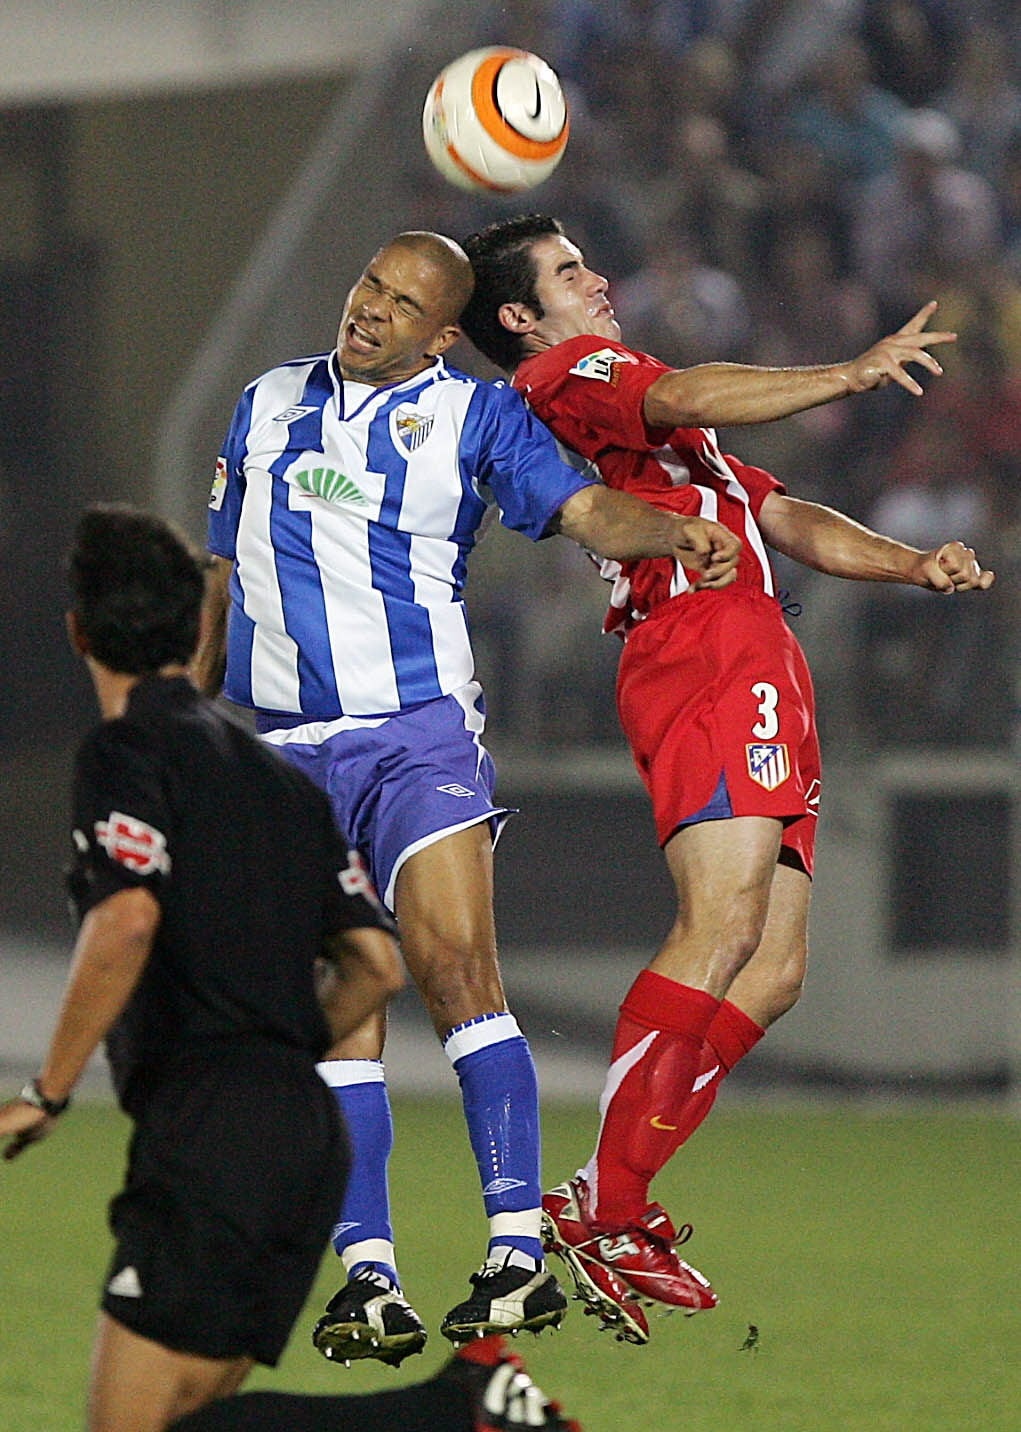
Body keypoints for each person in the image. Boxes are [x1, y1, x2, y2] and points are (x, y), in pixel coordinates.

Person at [194, 229, 741, 1360]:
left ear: (445, 332)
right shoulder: (265, 402)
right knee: (337, 1009)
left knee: (454, 968)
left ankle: (512, 1254)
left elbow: (586, 511)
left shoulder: (475, 417)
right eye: (365, 285)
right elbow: (219, 573)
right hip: (280, 752)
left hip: (414, 735)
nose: (369, 311)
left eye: (402, 303)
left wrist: (677, 531)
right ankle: (371, 1279)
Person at [458, 213, 995, 1328]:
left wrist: (909, 563)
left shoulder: (666, 432)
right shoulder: (572, 371)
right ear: (518, 318)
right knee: (721, 923)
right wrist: (848, 371)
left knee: (771, 965)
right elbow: (688, 390)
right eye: (566, 271)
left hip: (756, 643)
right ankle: (603, 1202)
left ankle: (610, 1196)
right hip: (700, 640)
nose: (595, 278)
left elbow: (781, 512)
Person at [0, 503, 583, 1432]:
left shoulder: (129, 751)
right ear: (200, 624)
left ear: (76, 631)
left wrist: (49, 1090)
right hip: (304, 1145)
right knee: (184, 1419)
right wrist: (280, 1052)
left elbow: (124, 920)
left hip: (210, 1141)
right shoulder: (269, 773)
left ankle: (453, 1410)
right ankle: (455, 1409)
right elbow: (373, 963)